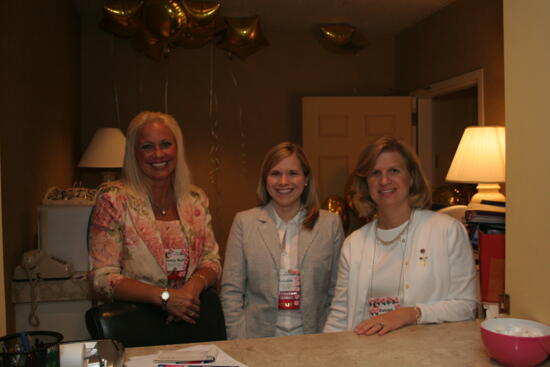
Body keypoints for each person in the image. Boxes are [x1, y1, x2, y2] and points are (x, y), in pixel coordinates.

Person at [323, 136, 477, 336]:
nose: (384, 181)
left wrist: (410, 314)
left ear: (411, 177)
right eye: (375, 173)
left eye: (394, 171)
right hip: (365, 355)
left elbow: (466, 306)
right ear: (365, 183)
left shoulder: (447, 231)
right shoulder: (354, 243)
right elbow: (340, 315)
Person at [88, 111, 222, 327]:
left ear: (177, 148)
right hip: (137, 323)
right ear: (134, 152)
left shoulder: (195, 199)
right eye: (147, 146)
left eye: (166, 144)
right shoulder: (112, 200)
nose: (158, 154)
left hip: (191, 320)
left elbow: (211, 261)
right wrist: (165, 298)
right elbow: (102, 278)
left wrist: (189, 291)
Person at [221, 142, 345, 339]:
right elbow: (231, 291)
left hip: (315, 338)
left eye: (293, 173)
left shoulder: (329, 224)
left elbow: (338, 290)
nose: (283, 181)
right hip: (258, 341)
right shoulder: (244, 223)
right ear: (265, 179)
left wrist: (330, 338)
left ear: (306, 179)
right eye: (275, 173)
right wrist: (238, 340)